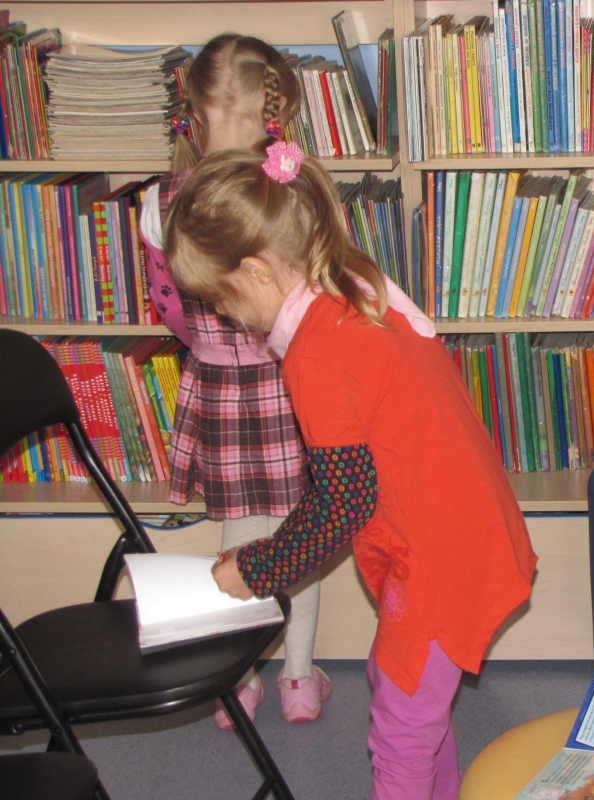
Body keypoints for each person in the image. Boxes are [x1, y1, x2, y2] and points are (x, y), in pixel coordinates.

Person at [163, 143, 538, 800]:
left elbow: (343, 502)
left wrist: (257, 569)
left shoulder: (316, 352)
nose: (222, 315)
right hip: (465, 527)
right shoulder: (351, 281)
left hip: (439, 553)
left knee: (401, 723)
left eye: (219, 297)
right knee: (413, 703)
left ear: (255, 271)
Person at [138, 34, 327, 728]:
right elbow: (317, 292)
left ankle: (239, 684)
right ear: (270, 110)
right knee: (302, 534)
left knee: (239, 541)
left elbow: (166, 304)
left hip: (216, 388)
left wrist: (211, 346)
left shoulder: (161, 199)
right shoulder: (289, 187)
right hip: (290, 383)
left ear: (193, 111)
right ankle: (299, 680)